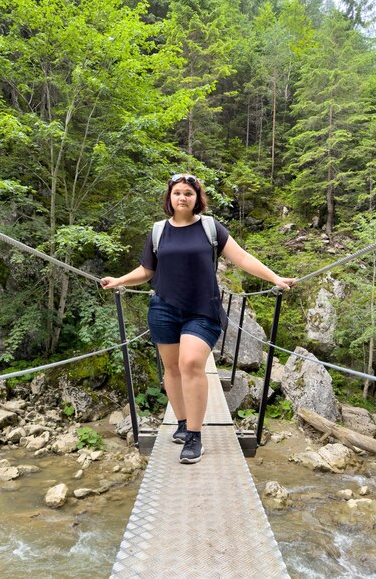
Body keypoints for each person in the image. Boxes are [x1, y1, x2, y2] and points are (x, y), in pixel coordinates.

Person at [101, 173, 296, 464]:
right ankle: (181, 423)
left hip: (203, 310)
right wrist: (119, 280)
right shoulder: (158, 231)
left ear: (197, 199)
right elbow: (146, 272)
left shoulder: (210, 228)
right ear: (169, 198)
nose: (182, 197)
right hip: (163, 308)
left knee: (190, 363)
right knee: (172, 369)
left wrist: (275, 278)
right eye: (177, 193)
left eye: (188, 194)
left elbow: (241, 258)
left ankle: (194, 435)